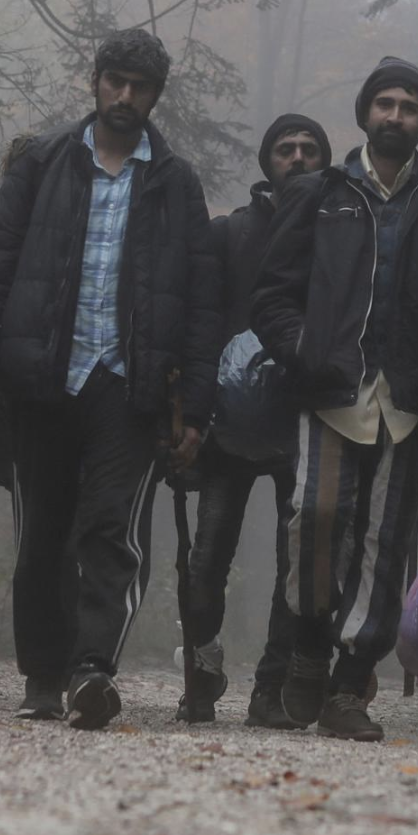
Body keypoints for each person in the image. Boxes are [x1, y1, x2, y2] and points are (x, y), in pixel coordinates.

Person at [0, 29, 219, 729]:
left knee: (110, 530)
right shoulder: (42, 165)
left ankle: (92, 671)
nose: (125, 97)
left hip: (128, 388)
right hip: (40, 376)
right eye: (116, 82)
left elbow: (200, 304)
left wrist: (193, 406)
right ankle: (42, 673)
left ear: (156, 95)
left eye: (140, 86)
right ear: (95, 81)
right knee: (41, 534)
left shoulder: (174, 182)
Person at [251, 57, 418, 741]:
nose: (395, 115)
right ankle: (306, 643)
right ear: (364, 114)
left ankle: (350, 684)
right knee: (318, 514)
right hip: (329, 391)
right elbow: (271, 296)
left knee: (386, 542)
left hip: (411, 402)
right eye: (384, 103)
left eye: (409, 107)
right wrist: (307, 348)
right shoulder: (318, 193)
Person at [178, 112, 331, 727]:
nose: (296, 158)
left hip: (308, 416)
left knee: (297, 560)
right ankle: (204, 665)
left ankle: (270, 687)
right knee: (209, 552)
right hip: (227, 418)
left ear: (325, 159)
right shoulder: (229, 233)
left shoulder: (343, 233)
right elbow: (200, 320)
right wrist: (191, 408)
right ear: (267, 162)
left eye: (308, 148)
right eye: (285, 149)